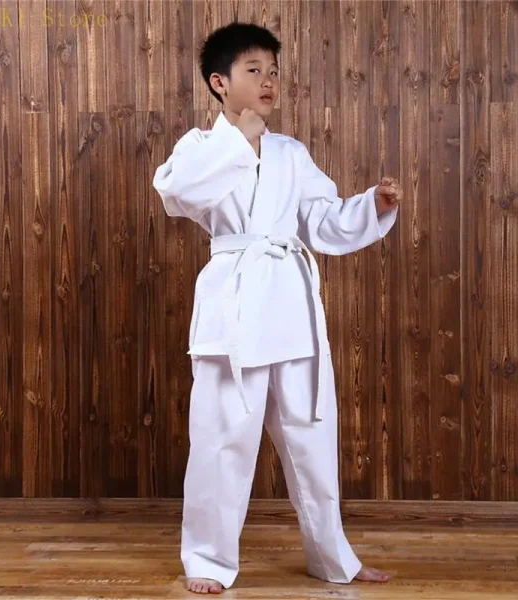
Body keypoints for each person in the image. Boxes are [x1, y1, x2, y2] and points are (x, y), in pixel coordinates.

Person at [153, 21, 403, 596]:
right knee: (222, 440)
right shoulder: (201, 147)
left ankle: (333, 558)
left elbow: (322, 220)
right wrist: (239, 144)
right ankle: (208, 560)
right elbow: (177, 192)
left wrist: (372, 204)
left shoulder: (291, 153)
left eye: (273, 71)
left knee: (312, 436)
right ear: (219, 82)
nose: (268, 80)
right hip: (234, 310)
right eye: (253, 70)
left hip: (291, 307)